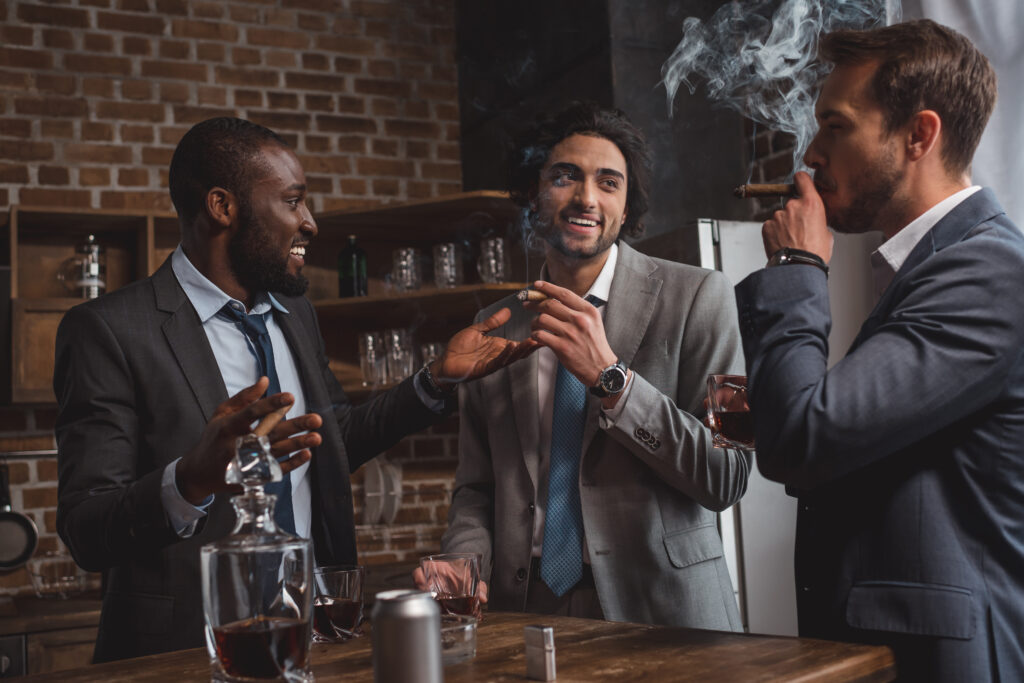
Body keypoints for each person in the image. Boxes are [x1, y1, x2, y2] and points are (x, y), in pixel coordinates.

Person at [54, 117, 536, 662]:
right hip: (180, 654)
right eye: (292, 202)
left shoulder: (295, 315)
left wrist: (435, 379)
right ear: (223, 206)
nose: (309, 223)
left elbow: (332, 439)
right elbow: (85, 529)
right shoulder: (109, 330)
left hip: (313, 642)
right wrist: (189, 480)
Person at [734, 20, 1024, 681]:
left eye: (836, 127)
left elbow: (808, 439)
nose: (811, 152)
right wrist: (772, 414)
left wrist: (799, 261)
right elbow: (865, 438)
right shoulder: (936, 267)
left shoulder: (987, 272)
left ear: (918, 135)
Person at [420, 102, 751, 629]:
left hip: (666, 615)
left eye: (609, 182)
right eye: (565, 176)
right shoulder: (495, 324)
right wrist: (465, 558)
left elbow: (729, 473)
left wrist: (613, 381)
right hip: (526, 611)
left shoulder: (703, 297)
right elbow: (477, 488)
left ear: (626, 209)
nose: (586, 198)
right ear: (533, 194)